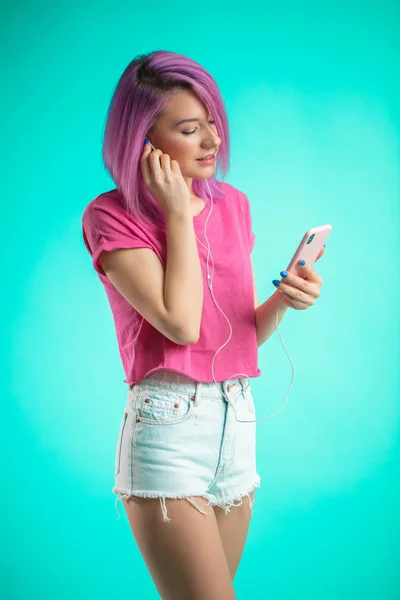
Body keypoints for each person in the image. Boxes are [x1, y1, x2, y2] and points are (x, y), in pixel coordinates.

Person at [82, 50, 262, 600]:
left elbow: (239, 333)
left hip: (238, 421)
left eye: (212, 121)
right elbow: (182, 326)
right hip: (168, 428)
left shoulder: (233, 205)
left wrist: (287, 299)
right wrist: (178, 213)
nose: (212, 140)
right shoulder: (109, 217)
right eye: (190, 128)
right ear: (144, 142)